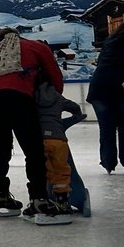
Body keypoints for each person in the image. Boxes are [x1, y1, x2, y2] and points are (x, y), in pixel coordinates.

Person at [0, 26, 63, 219]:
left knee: (1, 146)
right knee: (32, 148)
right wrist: (54, 97)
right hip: (18, 95)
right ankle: (38, 198)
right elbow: (55, 76)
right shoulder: (35, 47)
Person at [86, 22, 124, 173]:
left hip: (100, 88)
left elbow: (100, 62)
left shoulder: (108, 44)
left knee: (106, 128)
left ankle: (108, 163)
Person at [31, 79, 82, 225]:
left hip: (40, 140)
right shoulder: (57, 97)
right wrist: (77, 115)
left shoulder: (32, 97)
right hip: (59, 139)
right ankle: (63, 200)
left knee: (45, 172)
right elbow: (74, 107)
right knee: (61, 170)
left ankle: (43, 200)